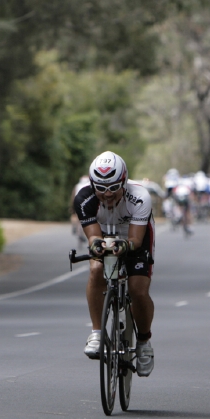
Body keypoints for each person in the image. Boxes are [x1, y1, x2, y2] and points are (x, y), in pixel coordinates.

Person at [73, 151, 156, 377]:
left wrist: (126, 246)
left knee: (138, 290)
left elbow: (136, 240)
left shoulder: (140, 196)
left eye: (113, 187)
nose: (107, 194)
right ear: (92, 184)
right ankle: (97, 333)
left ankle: (144, 342)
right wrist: (96, 245)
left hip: (134, 236)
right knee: (96, 269)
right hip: (104, 234)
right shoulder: (84, 199)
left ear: (124, 181)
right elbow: (93, 237)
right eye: (101, 188)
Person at [69, 175, 91, 248]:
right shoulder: (89, 186)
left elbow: (73, 196)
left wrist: (72, 206)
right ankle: (83, 232)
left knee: (76, 217)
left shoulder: (77, 186)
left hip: (77, 203)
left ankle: (75, 227)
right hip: (87, 204)